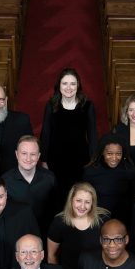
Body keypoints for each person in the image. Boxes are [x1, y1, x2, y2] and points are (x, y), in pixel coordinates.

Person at [40, 67, 98, 203]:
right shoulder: (51, 105)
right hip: (56, 160)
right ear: (59, 85)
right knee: (59, 196)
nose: (69, 87)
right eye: (65, 83)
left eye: (73, 83)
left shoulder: (87, 106)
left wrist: (93, 159)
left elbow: (93, 134)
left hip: (80, 160)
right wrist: (44, 160)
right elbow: (46, 133)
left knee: (77, 195)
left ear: (78, 85)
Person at [2, 135, 59, 236]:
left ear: (38, 156)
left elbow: (56, 207)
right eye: (24, 153)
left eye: (33, 154)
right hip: (16, 233)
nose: (28, 159)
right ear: (16, 154)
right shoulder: (5, 181)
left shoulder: (50, 178)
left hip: (44, 232)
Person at [82, 134, 135, 226]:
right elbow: (85, 198)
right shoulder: (90, 171)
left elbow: (133, 199)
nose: (114, 158)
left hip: (122, 220)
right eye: (109, 153)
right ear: (102, 152)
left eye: (118, 153)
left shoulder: (130, 170)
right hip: (97, 219)